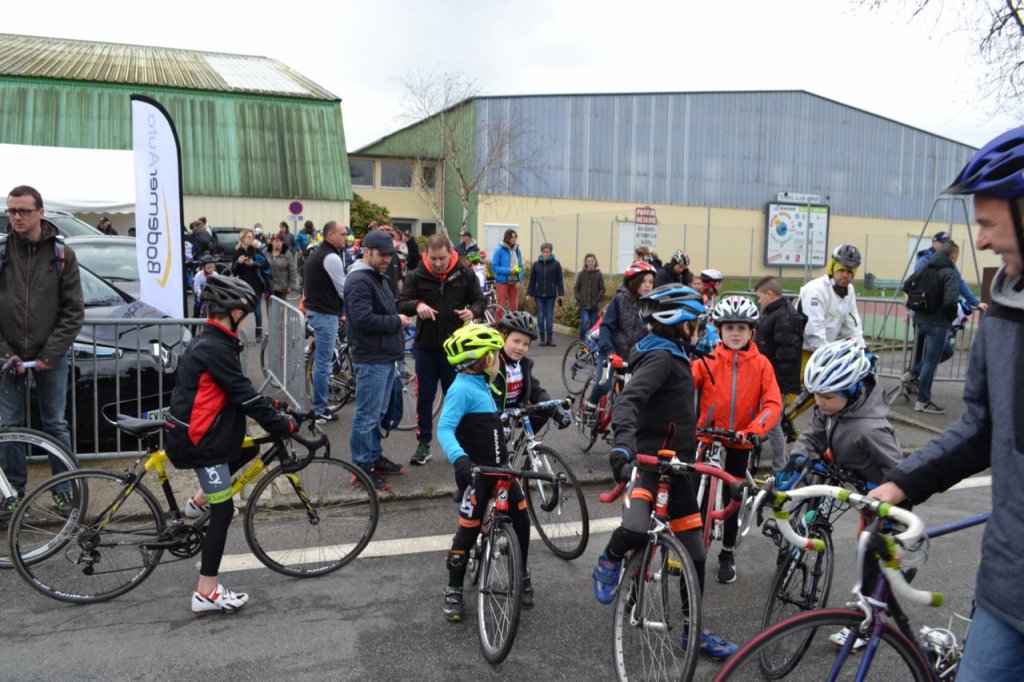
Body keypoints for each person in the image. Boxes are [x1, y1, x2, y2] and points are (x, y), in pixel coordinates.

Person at [868, 125, 1024, 680]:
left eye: (989, 223)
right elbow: (983, 425)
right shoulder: (1005, 307)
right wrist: (901, 483)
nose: (979, 242)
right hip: (1008, 584)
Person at [591, 284, 739, 659]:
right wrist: (622, 447)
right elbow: (629, 402)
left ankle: (693, 630)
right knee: (636, 528)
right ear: (682, 325)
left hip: (677, 469)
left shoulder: (676, 355)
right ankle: (610, 557)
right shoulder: (660, 358)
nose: (703, 330)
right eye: (699, 323)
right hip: (648, 465)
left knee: (695, 555)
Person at [164, 275, 296, 614]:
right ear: (235, 313)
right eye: (246, 315)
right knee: (223, 512)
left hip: (203, 434)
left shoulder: (212, 340)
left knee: (249, 448)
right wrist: (282, 424)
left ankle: (197, 502)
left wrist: (274, 406)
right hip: (199, 441)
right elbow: (244, 396)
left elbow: (236, 390)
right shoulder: (215, 348)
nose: (247, 321)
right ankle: (206, 592)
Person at [438, 323, 533, 621]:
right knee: (467, 531)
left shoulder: (484, 385)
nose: (499, 361)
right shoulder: (462, 389)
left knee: (522, 520)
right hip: (477, 473)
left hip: (501, 471)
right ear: (484, 360)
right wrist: (460, 460)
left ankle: (522, 571)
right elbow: (444, 428)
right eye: (495, 355)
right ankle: (454, 587)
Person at [0, 185, 84, 518]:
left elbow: (73, 310)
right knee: (10, 426)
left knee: (56, 424)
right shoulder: (2, 252)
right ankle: (12, 494)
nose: (16, 217)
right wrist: (6, 353)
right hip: (8, 357)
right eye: (11, 211)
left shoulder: (62, 254)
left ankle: (64, 490)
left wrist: (51, 353)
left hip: (51, 355)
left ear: (40, 212)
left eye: (23, 211)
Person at [691, 295, 782, 584]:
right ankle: (690, 549)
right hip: (708, 437)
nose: (735, 334)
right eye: (729, 328)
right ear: (719, 330)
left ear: (751, 332)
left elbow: (773, 404)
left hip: (741, 440)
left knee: (733, 498)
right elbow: (683, 386)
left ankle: (727, 553)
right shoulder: (707, 361)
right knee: (697, 495)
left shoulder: (762, 364)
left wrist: (754, 430)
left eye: (741, 329)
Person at [397, 234, 485, 466]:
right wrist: (417, 305)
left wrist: (472, 312)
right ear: (426, 254)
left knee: (456, 398)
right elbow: (401, 303)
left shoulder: (464, 273)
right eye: (433, 258)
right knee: (424, 398)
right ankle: (424, 443)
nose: (437, 263)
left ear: (451, 253)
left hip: (456, 349)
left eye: (442, 258)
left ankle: (459, 444)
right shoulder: (417, 274)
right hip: (425, 347)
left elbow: (480, 300)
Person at [344, 229, 413, 492]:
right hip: (371, 357)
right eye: (381, 255)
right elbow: (363, 320)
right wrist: (396, 321)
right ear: (366, 252)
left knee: (376, 413)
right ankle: (362, 467)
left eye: (389, 255)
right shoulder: (360, 280)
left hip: (382, 356)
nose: (386, 259)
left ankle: (373, 457)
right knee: (367, 414)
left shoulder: (375, 276)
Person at [584, 261, 656, 418]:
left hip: (634, 357)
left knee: (632, 396)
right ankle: (590, 404)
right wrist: (610, 352)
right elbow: (606, 327)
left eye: (651, 282)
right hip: (612, 352)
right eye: (644, 281)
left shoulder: (652, 305)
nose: (648, 285)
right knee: (604, 385)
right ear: (633, 282)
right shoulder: (619, 300)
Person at [900, 241, 962, 415]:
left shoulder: (926, 267)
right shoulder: (949, 273)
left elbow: (907, 285)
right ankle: (923, 401)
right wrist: (950, 317)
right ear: (953, 256)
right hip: (938, 323)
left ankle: (913, 372)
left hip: (920, 320)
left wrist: (921, 304)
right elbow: (951, 301)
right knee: (931, 361)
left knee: (946, 351)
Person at [754, 276, 806, 472]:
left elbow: (786, 356)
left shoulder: (784, 317)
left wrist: (777, 386)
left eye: (760, 296)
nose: (759, 301)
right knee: (773, 423)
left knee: (773, 424)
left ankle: (780, 467)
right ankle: (781, 465)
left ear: (769, 294)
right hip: (772, 379)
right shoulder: (777, 314)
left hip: (775, 381)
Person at [493, 311, 573, 432]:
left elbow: (536, 391)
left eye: (526, 344)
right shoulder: (493, 363)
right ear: (503, 337)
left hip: (518, 411)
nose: (520, 348)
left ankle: (525, 443)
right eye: (516, 341)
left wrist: (556, 414)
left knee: (542, 409)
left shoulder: (524, 364)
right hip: (495, 414)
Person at [302, 221, 349, 423]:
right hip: (325, 314)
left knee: (322, 360)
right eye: (343, 234)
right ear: (331, 235)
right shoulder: (331, 257)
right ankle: (320, 409)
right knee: (324, 364)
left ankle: (320, 406)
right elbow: (344, 290)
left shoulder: (317, 254)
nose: (346, 238)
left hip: (318, 311)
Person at [796, 244, 865, 365]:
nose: (845, 275)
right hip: (804, 352)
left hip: (824, 352)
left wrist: (862, 350)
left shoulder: (849, 290)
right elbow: (814, 331)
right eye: (841, 270)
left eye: (850, 271)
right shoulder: (816, 290)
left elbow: (852, 325)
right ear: (832, 268)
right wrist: (829, 357)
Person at [230, 228, 268, 340]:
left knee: (257, 310)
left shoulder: (256, 251)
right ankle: (237, 332)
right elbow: (234, 271)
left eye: (252, 237)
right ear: (242, 238)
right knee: (241, 309)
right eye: (249, 237)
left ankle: (258, 334)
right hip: (243, 285)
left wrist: (254, 264)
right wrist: (238, 262)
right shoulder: (238, 252)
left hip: (256, 284)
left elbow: (266, 265)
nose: (251, 239)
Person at [526, 242, 565, 347]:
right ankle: (542, 338)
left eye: (548, 251)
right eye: (544, 251)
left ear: (551, 252)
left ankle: (550, 338)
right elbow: (532, 280)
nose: (546, 253)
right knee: (540, 316)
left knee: (549, 316)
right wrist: (529, 293)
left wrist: (561, 294)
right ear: (541, 252)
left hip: (550, 295)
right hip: (538, 294)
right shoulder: (536, 265)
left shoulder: (556, 264)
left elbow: (559, 280)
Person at [491, 228, 524, 319]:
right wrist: (508, 270)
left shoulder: (517, 250)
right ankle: (497, 325)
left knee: (514, 307)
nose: (514, 239)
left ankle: (514, 326)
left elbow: (520, 266)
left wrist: (519, 280)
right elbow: (494, 267)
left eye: (515, 237)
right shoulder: (499, 249)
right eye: (512, 237)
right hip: (502, 281)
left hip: (514, 280)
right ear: (507, 237)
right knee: (500, 307)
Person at [573, 253, 605, 340]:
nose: (590, 263)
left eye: (592, 261)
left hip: (594, 305)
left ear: (595, 262)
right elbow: (576, 288)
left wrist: (597, 300)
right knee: (585, 322)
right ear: (586, 263)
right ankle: (581, 342)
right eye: (588, 261)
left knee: (594, 325)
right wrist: (580, 299)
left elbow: (602, 289)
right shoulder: (581, 274)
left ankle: (592, 342)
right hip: (584, 305)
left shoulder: (599, 274)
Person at [266, 232, 298, 314]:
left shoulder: (287, 254)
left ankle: (280, 322)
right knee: (270, 311)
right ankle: (271, 322)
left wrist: (291, 285)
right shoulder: (266, 253)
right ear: (272, 242)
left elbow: (293, 270)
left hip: (282, 287)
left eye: (280, 241)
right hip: (268, 286)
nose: (279, 243)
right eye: (276, 241)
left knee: (280, 312)